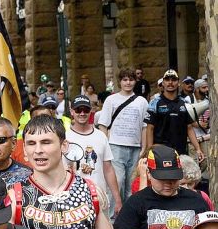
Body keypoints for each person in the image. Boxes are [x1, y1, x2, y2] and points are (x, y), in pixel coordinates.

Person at [65, 95, 123, 217]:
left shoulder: (101, 136)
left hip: (99, 197)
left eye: (85, 110)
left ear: (91, 111)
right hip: (73, 199)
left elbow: (108, 169)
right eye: (78, 110)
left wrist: (117, 199)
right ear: (72, 112)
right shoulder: (64, 137)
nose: (82, 113)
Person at [98, 69, 148, 205]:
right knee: (117, 181)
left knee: (131, 184)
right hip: (115, 145)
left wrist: (144, 147)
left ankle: (130, 215)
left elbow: (145, 126)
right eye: (125, 80)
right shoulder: (111, 100)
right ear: (119, 82)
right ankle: (112, 216)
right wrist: (105, 145)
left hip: (135, 147)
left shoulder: (142, 101)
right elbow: (103, 125)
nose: (128, 82)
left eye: (131, 79)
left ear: (135, 81)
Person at [145, 69, 203, 159]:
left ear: (178, 83)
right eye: (167, 80)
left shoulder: (184, 103)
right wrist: (150, 151)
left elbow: (189, 128)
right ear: (163, 83)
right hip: (160, 152)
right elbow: (150, 129)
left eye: (173, 80)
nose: (170, 83)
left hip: (181, 152)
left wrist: (198, 149)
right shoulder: (155, 103)